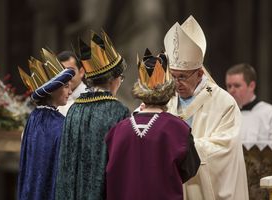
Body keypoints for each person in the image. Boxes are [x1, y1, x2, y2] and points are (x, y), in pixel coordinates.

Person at [164, 15, 249, 200]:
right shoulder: (167, 99)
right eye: (173, 76)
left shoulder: (223, 103)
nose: (176, 83)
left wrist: (182, 149)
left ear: (199, 73)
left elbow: (224, 147)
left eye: (182, 77)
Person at [105, 49, 200, 200]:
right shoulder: (178, 129)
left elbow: (110, 172)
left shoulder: (117, 130)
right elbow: (190, 169)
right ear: (168, 93)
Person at [55, 30, 130, 200]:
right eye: (121, 77)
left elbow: (65, 163)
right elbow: (123, 164)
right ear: (113, 79)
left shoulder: (74, 109)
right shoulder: (119, 111)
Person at [17, 48, 75, 200]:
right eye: (66, 86)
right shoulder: (60, 124)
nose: (70, 92)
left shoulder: (34, 117)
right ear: (53, 90)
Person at [225, 63, 272, 141]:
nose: (231, 90)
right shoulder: (225, 116)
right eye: (229, 86)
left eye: (237, 85)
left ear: (251, 86)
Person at [57, 50, 87, 116]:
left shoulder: (90, 97)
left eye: (70, 71)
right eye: (61, 72)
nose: (66, 76)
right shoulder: (55, 99)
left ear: (81, 72)